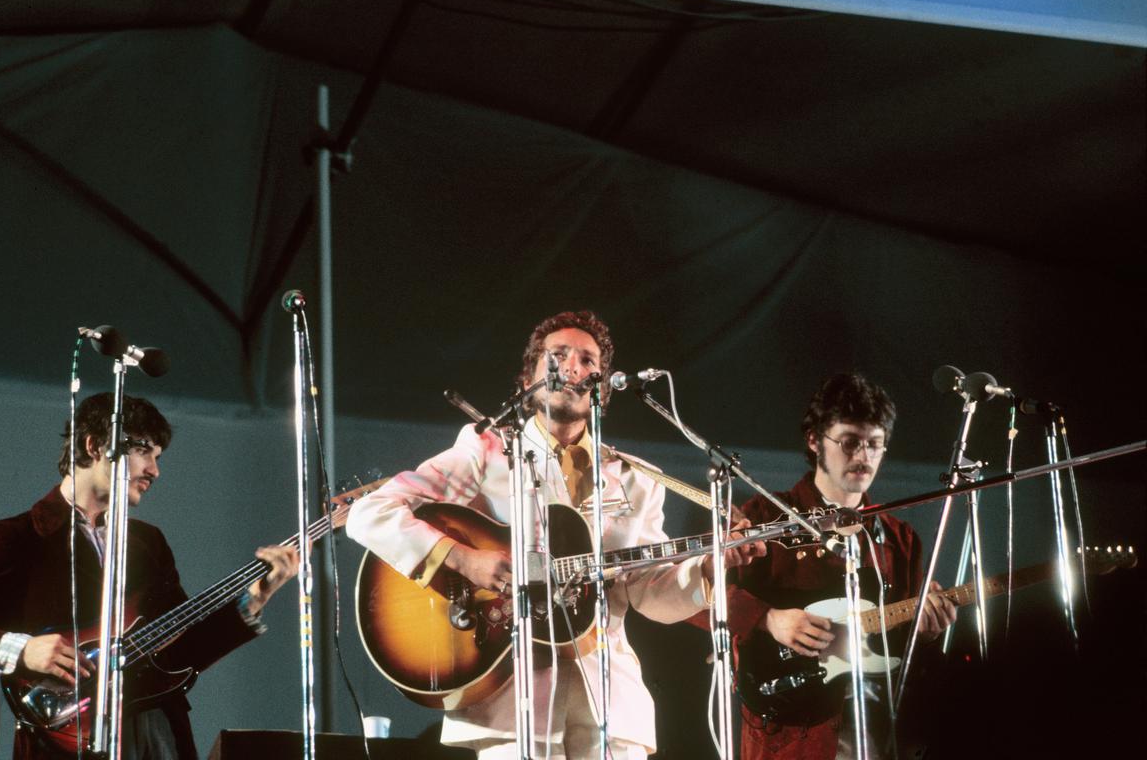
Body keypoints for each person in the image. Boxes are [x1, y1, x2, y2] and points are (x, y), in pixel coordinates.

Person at [345, 310, 764, 760]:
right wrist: (463, 559)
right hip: (510, 696)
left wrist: (708, 566)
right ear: (528, 376)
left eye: (587, 359)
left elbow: (647, 592)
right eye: (558, 355)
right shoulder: (487, 452)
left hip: (609, 705)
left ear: (602, 385)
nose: (573, 367)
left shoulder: (636, 479)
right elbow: (370, 513)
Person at [0, 393, 298, 760]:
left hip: (155, 731)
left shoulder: (149, 542)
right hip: (63, 737)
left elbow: (181, 649)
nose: (154, 470)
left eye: (158, 457)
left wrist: (255, 597)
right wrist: (22, 650)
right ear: (95, 445)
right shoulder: (20, 536)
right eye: (144, 451)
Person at [710, 373, 957, 760]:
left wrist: (928, 630)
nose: (863, 457)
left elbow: (906, 649)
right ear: (814, 440)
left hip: (877, 730)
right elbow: (699, 595)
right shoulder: (764, 516)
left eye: (875, 445)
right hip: (788, 730)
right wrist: (767, 618)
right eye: (850, 442)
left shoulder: (899, 537)